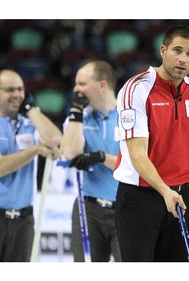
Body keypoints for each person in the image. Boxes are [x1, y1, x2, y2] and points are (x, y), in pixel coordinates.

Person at [113, 24, 189, 262]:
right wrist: (165, 191)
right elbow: (137, 154)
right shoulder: (136, 89)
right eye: (177, 50)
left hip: (181, 198)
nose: (182, 59)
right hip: (141, 198)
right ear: (163, 50)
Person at [0, 69, 62, 262]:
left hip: (23, 222)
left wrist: (33, 110)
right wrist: (35, 150)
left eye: (20, 89)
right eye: (10, 90)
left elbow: (56, 139)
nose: (16, 94)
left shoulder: (30, 124)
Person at [60, 60, 121, 262]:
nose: (76, 89)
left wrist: (101, 158)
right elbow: (69, 153)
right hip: (89, 209)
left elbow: (137, 164)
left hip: (125, 207)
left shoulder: (130, 115)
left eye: (82, 84)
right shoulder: (79, 116)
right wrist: (76, 113)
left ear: (102, 85)